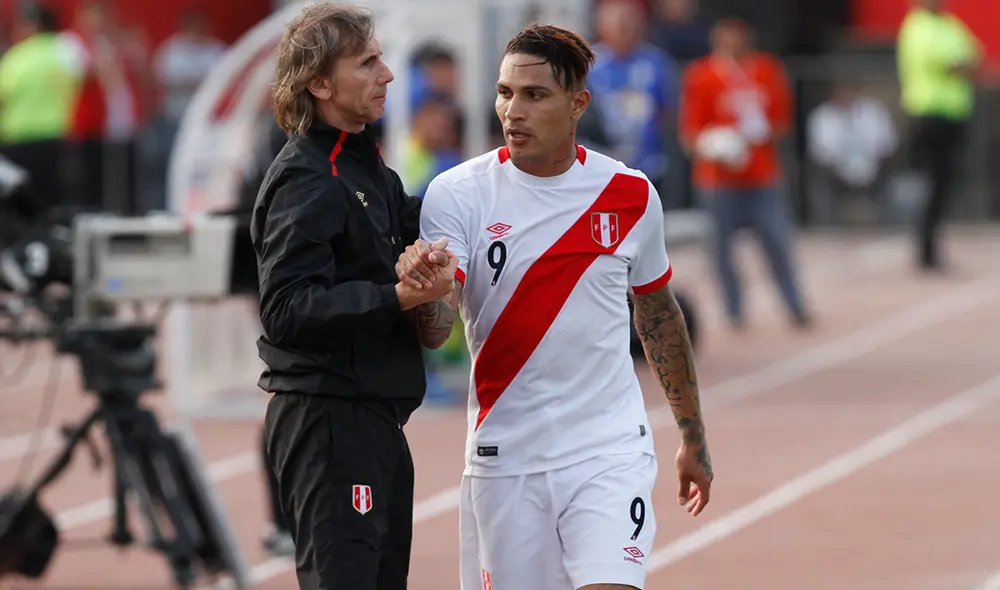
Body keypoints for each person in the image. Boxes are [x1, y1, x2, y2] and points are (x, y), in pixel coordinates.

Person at [397, 23, 713, 590]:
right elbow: (436, 327)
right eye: (504, 93)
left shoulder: (631, 195)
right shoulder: (457, 194)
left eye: (535, 95)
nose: (512, 111)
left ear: (577, 104)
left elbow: (660, 316)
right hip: (506, 456)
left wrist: (692, 436)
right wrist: (426, 291)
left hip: (608, 448)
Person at [250, 3, 457, 589]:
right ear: (319, 83)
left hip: (374, 420)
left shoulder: (366, 165)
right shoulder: (307, 178)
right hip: (330, 422)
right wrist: (398, 296)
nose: (387, 75)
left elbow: (426, 223)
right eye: (366, 63)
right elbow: (286, 310)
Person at [679, 15, 811, 330]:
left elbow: (782, 120)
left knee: (777, 241)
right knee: (720, 249)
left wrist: (756, 133)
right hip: (717, 179)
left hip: (761, 175)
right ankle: (734, 311)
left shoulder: (766, 69)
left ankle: (795, 305)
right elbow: (690, 135)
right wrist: (718, 146)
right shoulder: (702, 75)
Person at [896, 0, 982, 271]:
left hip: (952, 114)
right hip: (929, 114)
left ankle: (930, 245)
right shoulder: (918, 26)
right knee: (932, 184)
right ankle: (925, 249)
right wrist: (964, 65)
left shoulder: (949, 24)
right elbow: (954, 65)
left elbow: (974, 56)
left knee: (942, 185)